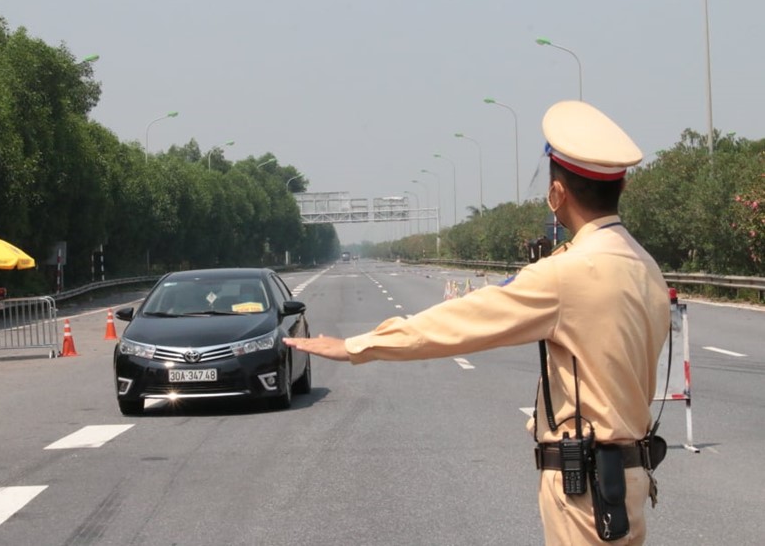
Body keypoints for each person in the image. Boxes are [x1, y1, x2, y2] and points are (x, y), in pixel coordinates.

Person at [283, 100, 670, 545]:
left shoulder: (568, 273)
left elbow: (462, 321)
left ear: (558, 194)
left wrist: (358, 346)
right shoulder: (645, 264)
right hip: (629, 479)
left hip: (586, 490)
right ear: (619, 185)